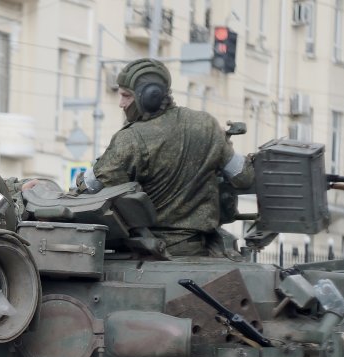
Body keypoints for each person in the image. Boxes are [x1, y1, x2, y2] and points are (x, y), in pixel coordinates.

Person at [78, 58, 254, 256]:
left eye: (126, 96)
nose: (121, 103)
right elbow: (243, 176)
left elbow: (89, 190)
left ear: (148, 97)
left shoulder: (131, 139)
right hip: (202, 251)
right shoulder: (207, 125)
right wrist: (224, 142)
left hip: (151, 254)